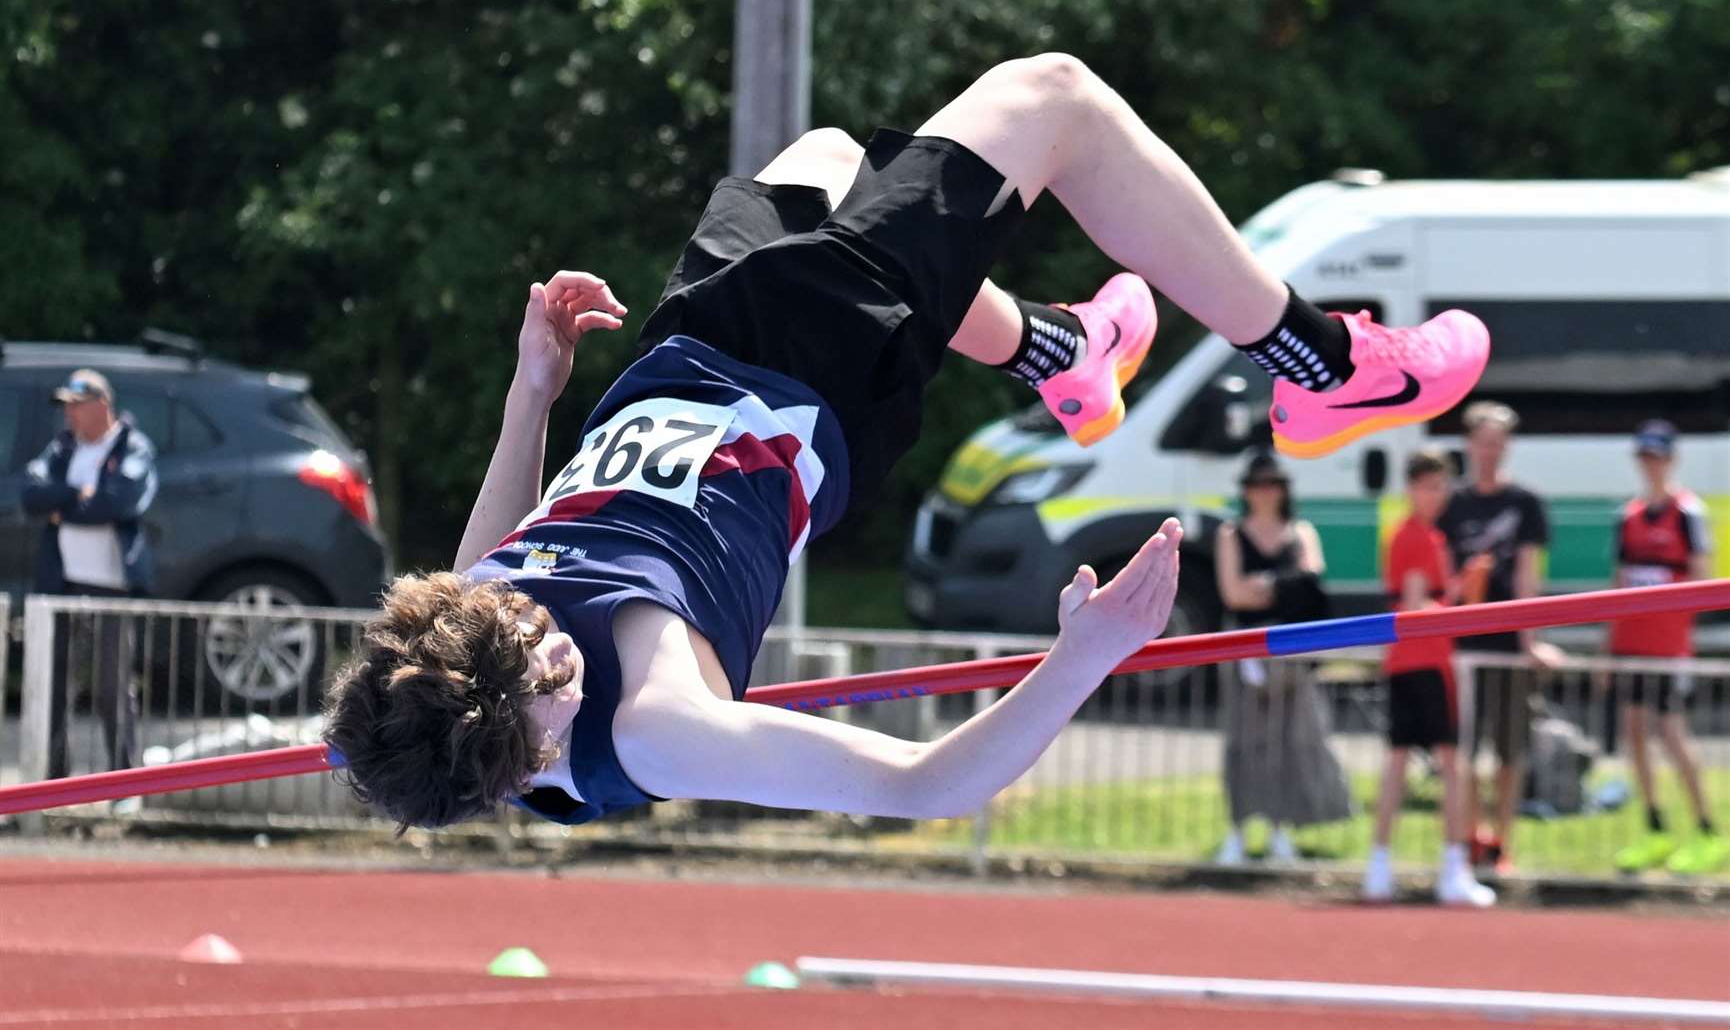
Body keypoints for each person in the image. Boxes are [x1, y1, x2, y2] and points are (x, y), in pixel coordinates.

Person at [322, 54, 1489, 830]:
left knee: (828, 157)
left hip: (688, 347)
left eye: (527, 640)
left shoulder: (470, 646)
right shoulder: (657, 729)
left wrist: (533, 393)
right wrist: (1079, 657)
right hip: (810, 378)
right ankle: (1322, 370)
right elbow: (923, 787)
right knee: (1055, 100)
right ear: (522, 767)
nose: (551, 653)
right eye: (544, 691)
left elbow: (493, 556)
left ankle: (1052, 355)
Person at [1363, 449, 1496, 906]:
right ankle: (1452, 868)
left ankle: (1380, 867)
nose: (1435, 494)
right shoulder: (1418, 537)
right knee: (1450, 764)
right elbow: (1417, 610)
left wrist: (1458, 589)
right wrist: (1462, 588)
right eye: (1427, 485)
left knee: (1401, 763)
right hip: (1426, 660)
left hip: (1407, 660)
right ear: (1412, 488)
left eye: (1440, 485)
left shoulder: (1416, 535)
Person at [1438, 401, 1563, 874]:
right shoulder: (1454, 503)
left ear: (1506, 447)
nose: (1490, 451)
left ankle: (1501, 840)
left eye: (1498, 443)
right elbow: (1445, 574)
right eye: (1482, 441)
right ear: (1470, 444)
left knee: (1510, 750)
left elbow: (1530, 576)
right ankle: (1471, 836)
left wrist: (1532, 641)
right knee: (1466, 749)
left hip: (1509, 645)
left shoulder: (1525, 502)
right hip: (1465, 644)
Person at [20, 369, 159, 785]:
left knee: (111, 689)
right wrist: (73, 494)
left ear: (101, 404)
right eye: (66, 407)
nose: (69, 415)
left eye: (76, 405)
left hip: (113, 585)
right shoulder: (62, 448)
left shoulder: (132, 446)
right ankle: (53, 783)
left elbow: (121, 500)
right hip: (61, 583)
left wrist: (67, 506)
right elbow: (31, 495)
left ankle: (123, 784)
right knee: (53, 687)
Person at [1212, 452, 1352, 864]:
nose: (1265, 492)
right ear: (1246, 490)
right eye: (1258, 484)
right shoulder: (1230, 534)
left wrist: (1266, 584)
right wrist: (1286, 587)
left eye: (1273, 483)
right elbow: (1234, 594)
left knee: (1291, 743)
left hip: (1293, 654)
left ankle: (1280, 829)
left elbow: (1313, 586)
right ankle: (1237, 831)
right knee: (1244, 741)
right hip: (1246, 653)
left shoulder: (1301, 531)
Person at [1608, 421, 1728, 876]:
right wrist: (1609, 646)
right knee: (1634, 734)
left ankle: (1706, 829)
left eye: (1657, 456)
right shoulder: (1630, 515)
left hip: (1668, 648)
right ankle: (1655, 827)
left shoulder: (1688, 512)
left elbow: (1703, 580)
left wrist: (1678, 629)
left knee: (1673, 736)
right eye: (1644, 456)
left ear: (1671, 460)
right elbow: (1617, 584)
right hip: (1630, 646)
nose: (1650, 464)